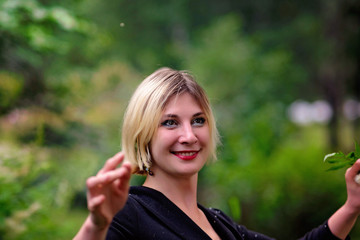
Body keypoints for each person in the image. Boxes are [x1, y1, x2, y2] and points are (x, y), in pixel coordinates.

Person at [74, 67, 360, 240]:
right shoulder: (128, 211)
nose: (189, 136)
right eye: (170, 122)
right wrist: (96, 226)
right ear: (143, 133)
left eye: (198, 120)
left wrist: (351, 207)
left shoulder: (219, 224)